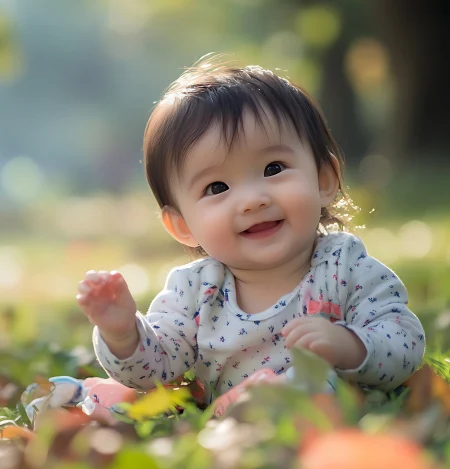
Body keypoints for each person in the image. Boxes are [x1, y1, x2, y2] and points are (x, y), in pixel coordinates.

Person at [76, 58, 425, 406]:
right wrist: (122, 334)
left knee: (317, 391)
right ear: (182, 225)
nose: (252, 200)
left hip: (316, 417)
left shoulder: (346, 269)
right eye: (217, 188)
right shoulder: (193, 292)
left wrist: (348, 345)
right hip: (226, 433)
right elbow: (157, 370)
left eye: (273, 168)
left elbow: (404, 343)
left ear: (323, 180)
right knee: (120, 403)